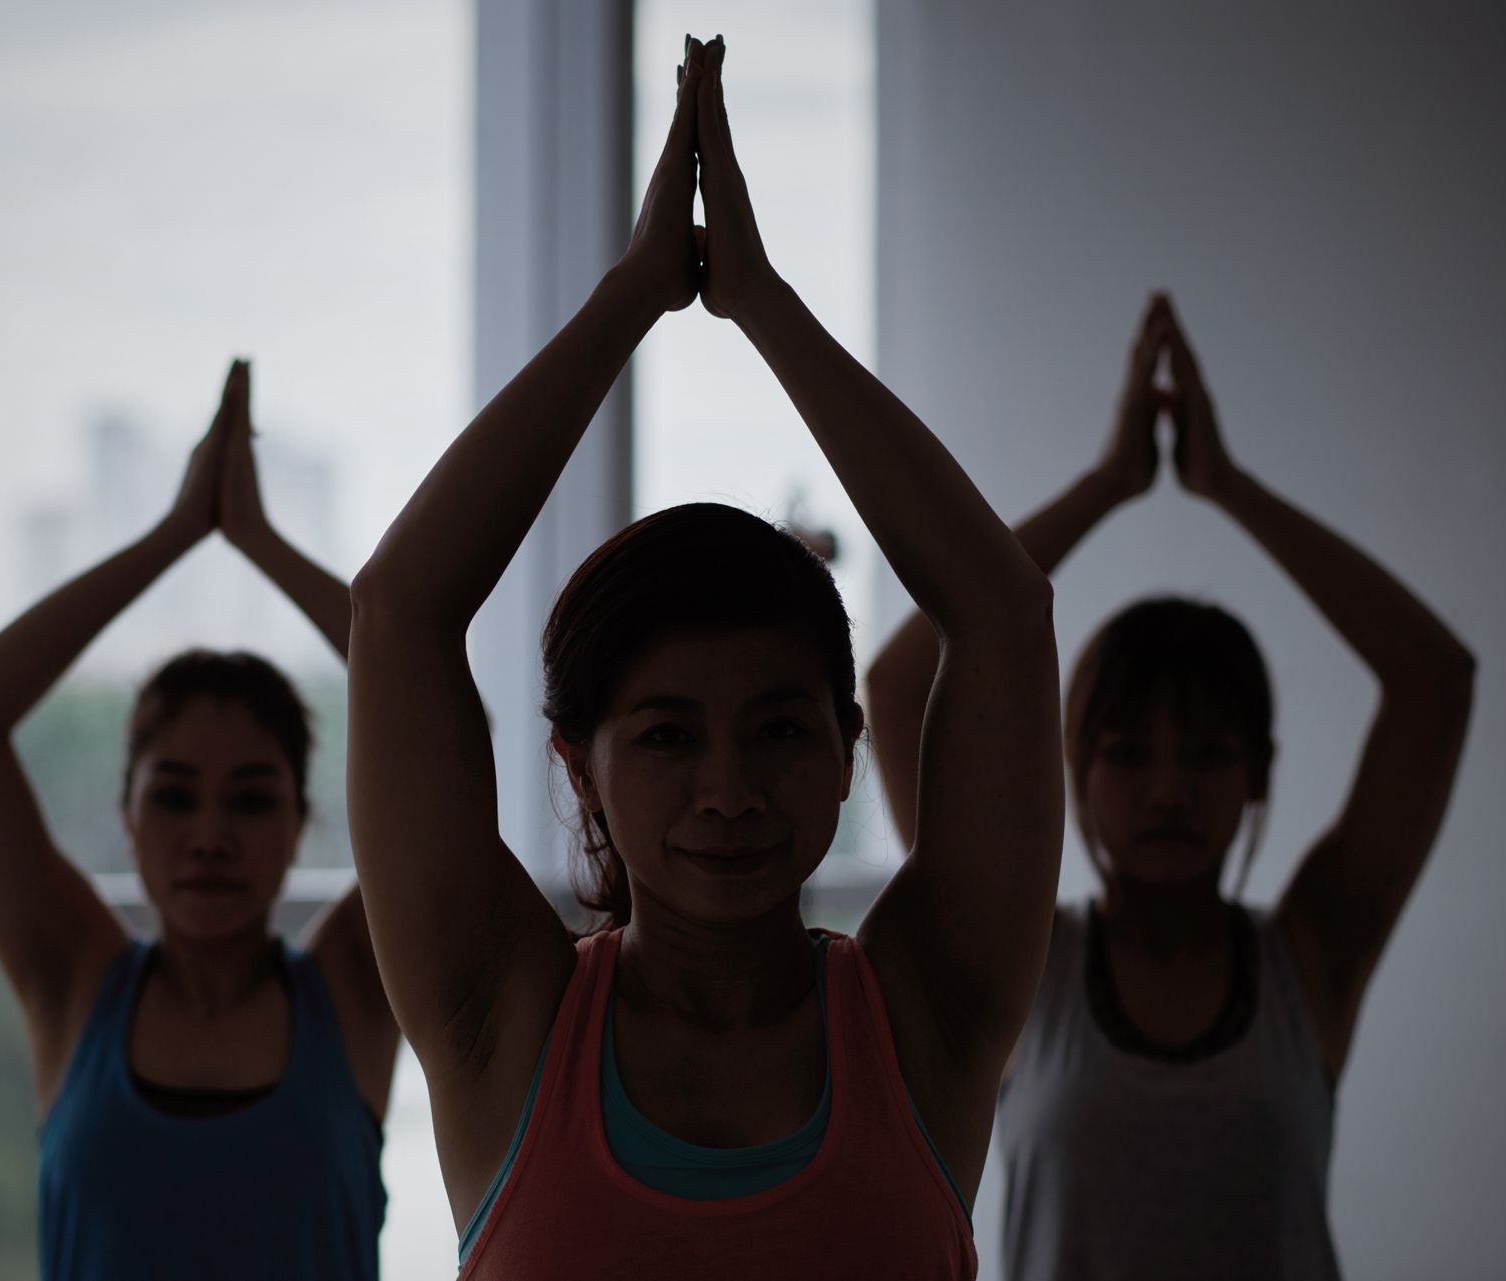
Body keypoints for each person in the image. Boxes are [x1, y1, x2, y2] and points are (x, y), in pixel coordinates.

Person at [346, 37, 1062, 1279]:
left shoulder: (924, 1015)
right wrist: (633, 295)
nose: (729, 790)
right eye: (669, 735)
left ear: (847, 751)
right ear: (579, 768)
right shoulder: (499, 1020)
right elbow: (398, 612)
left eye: (781, 728)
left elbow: (1000, 609)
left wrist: (761, 303)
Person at [865, 294, 1477, 1280]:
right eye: (1128, 752)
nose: (1166, 790)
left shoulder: (1311, 958)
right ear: (1074, 764)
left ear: (1258, 774)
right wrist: (1104, 486)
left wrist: (1227, 487)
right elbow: (898, 690)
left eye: (1205, 753)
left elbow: (1436, 684)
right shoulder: (1025, 968)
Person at [0, 360, 398, 1281]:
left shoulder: (354, 987)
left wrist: (256, 539)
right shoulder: (72, 978)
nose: (210, 834)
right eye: (175, 795)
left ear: (301, 820)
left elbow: (439, 727)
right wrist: (177, 534)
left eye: (252, 797)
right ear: (127, 815)